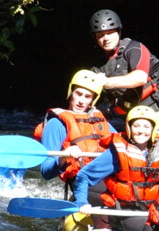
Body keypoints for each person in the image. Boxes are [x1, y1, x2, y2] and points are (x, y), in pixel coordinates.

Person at [89, 8, 159, 162]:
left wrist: (105, 82)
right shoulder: (98, 67)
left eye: (110, 33)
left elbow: (140, 78)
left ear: (118, 31)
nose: (105, 38)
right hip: (137, 125)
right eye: (100, 35)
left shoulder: (134, 48)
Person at [72, 106, 159, 231]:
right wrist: (82, 202)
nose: (141, 131)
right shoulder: (118, 152)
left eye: (146, 127)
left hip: (153, 207)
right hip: (123, 211)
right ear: (129, 128)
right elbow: (84, 176)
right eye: (136, 126)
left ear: (153, 129)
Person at [34, 69, 114, 204]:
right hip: (84, 182)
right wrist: (64, 156)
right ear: (71, 93)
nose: (81, 101)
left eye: (87, 96)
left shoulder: (100, 122)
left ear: (93, 100)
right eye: (78, 94)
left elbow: (124, 145)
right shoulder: (56, 124)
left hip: (109, 177)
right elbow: (46, 172)